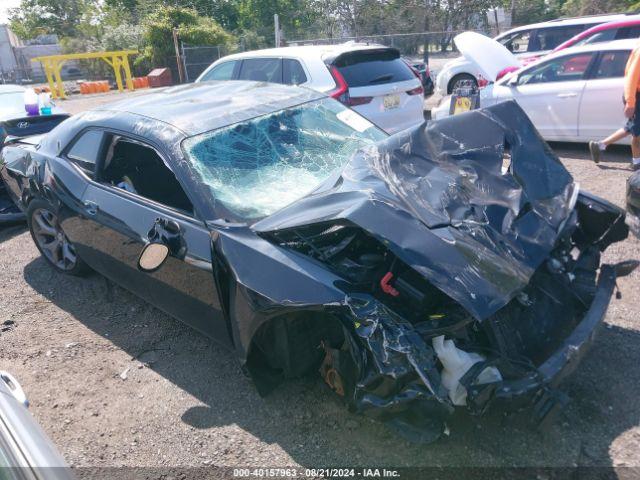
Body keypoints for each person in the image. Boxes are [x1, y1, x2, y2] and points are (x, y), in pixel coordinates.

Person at [589, 42, 640, 170]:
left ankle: (600, 145)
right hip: (636, 95)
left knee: (632, 127)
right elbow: (631, 78)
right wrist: (630, 102)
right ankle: (637, 164)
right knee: (637, 132)